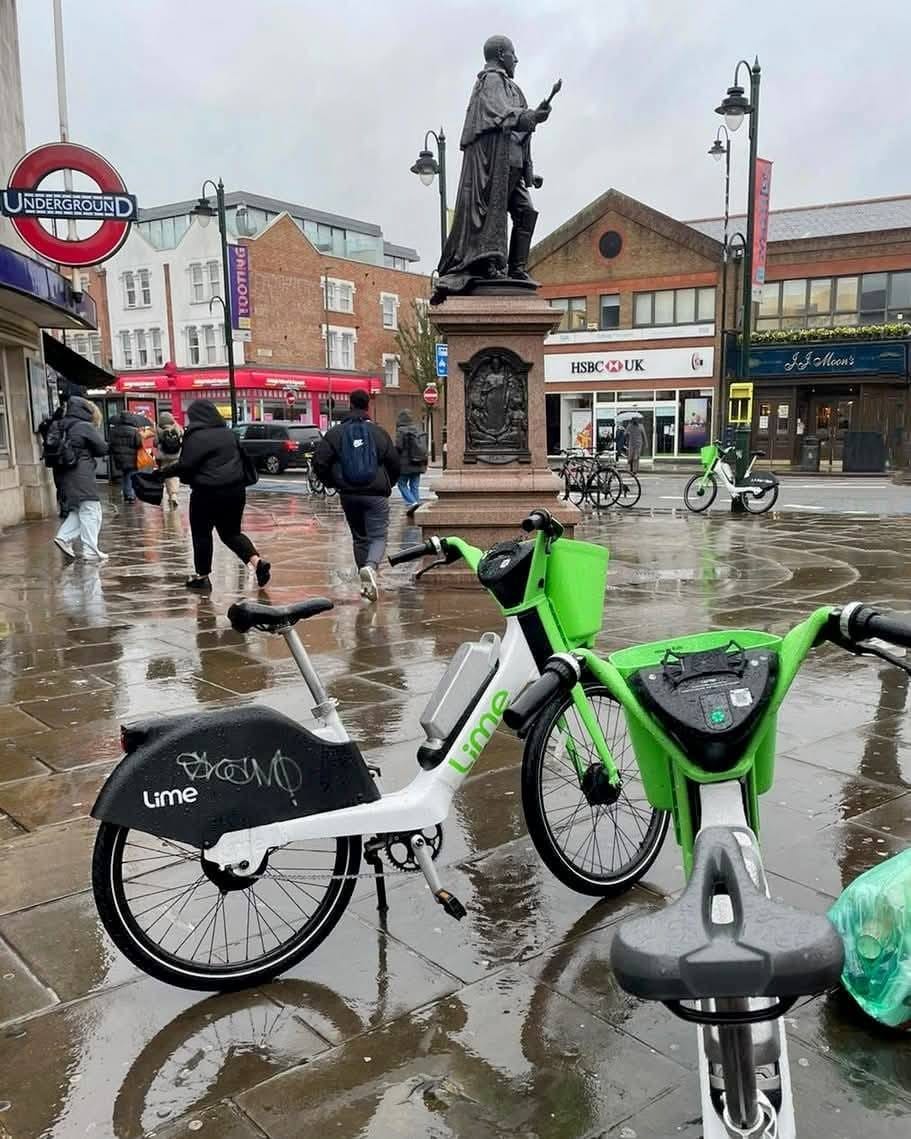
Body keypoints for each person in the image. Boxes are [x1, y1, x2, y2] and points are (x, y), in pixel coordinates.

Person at [433, 35, 552, 301]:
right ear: (500, 54)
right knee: (493, 216)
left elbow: (519, 134)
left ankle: (517, 268)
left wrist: (528, 171)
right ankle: (488, 264)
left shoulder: (512, 87)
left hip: (513, 168)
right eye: (512, 53)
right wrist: (532, 116)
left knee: (526, 212)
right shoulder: (491, 81)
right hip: (494, 168)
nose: (516, 59)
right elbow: (502, 115)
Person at [166, 399, 270, 592]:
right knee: (232, 533)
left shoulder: (194, 436)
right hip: (235, 491)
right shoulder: (229, 434)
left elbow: (186, 467)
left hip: (206, 493)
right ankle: (257, 562)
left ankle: (202, 577)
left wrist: (165, 474)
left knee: (201, 534)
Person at [312, 389, 400, 603]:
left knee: (360, 537)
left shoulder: (336, 433)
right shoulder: (378, 433)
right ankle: (370, 567)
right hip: (376, 494)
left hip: (349, 495)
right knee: (378, 536)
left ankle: (365, 582)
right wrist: (387, 483)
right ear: (368, 406)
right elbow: (394, 463)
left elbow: (319, 462)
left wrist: (334, 482)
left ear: (350, 405)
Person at [52, 396, 110, 562]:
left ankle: (64, 537)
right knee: (92, 510)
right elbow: (102, 448)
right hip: (80, 473)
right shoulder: (84, 426)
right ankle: (90, 550)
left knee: (79, 509)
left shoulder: (60, 424)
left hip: (64, 473)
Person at [394, 408, 428, 518]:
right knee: (414, 485)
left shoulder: (401, 431)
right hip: (418, 463)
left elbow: (398, 447)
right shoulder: (418, 429)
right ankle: (416, 505)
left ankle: (412, 503)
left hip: (405, 464)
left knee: (401, 484)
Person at [108, 412, 142, 503]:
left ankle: (126, 493)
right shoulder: (134, 431)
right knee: (131, 475)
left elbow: (111, 443)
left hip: (119, 457)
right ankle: (130, 495)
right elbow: (138, 444)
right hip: (132, 458)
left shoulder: (114, 430)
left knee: (124, 474)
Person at [155, 410, 183, 509]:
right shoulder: (177, 427)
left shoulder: (158, 430)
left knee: (167, 475)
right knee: (175, 475)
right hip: (176, 455)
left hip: (163, 457)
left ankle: (170, 494)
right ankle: (174, 495)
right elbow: (182, 438)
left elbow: (155, 442)